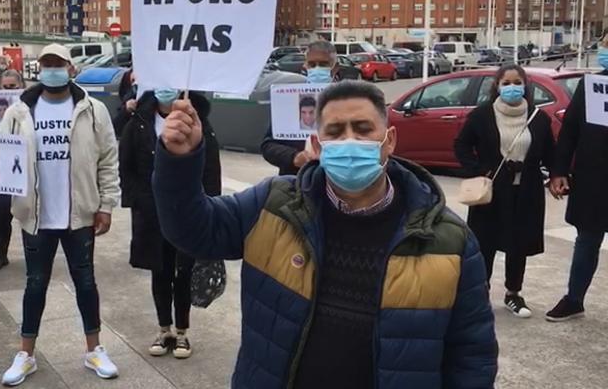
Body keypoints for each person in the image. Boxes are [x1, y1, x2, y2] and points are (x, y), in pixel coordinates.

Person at [153, 81, 498, 389]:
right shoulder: (272, 205)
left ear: (389, 140)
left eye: (363, 129)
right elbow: (193, 230)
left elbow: (472, 355)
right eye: (336, 131)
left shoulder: (449, 242)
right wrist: (179, 161)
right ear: (318, 144)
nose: (350, 140)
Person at [0, 43, 120, 386]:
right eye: (46, 64)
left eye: (58, 63)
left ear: (70, 68)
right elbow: (0, 155)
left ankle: (94, 349)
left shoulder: (93, 110)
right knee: (35, 284)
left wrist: (106, 204)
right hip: (36, 215)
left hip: (80, 214)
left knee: (86, 282)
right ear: (39, 69)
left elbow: (107, 160)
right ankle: (26, 355)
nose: (52, 69)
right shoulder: (18, 112)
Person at [119, 88, 221, 360]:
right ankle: (164, 329)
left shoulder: (196, 120)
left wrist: (211, 207)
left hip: (188, 211)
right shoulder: (139, 122)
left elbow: (211, 166)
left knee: (184, 272)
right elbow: (126, 165)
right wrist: (138, 200)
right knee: (159, 271)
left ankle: (182, 332)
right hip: (152, 213)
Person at [454, 65, 554, 318]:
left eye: (516, 82)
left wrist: (558, 176)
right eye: (506, 82)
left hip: (526, 191)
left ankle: (513, 293)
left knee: (518, 244)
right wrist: (477, 170)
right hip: (492, 192)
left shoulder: (538, 118)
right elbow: (462, 145)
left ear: (525, 85)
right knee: (485, 243)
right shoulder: (482, 115)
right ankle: (479, 295)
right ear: (497, 86)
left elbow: (551, 153)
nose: (512, 87)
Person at [546, 37, 608, 321]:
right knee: (586, 241)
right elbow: (569, 131)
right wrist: (559, 171)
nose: (604, 50)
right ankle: (574, 299)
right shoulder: (593, 87)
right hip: (594, 181)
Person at [261, 41, 338, 175]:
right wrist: (294, 157)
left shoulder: (350, 99)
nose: (317, 69)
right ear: (305, 66)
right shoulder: (288, 99)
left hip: (337, 180)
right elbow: (268, 146)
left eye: (324, 64)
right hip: (295, 181)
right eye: (312, 64)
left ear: (335, 67)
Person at [0, 69, 25, 272]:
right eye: (6, 87)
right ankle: (0, 253)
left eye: (14, 87)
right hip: (4, 172)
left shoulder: (32, 109)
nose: (10, 90)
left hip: (26, 169)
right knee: (2, 213)